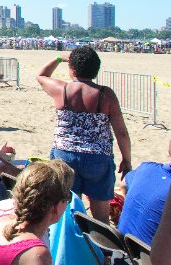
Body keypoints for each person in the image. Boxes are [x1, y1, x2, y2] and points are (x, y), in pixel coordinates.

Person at [36, 47, 132, 223]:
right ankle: (100, 248)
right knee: (100, 215)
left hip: (65, 154)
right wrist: (127, 159)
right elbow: (122, 133)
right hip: (97, 157)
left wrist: (59, 58)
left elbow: (41, 76)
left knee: (68, 209)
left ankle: (71, 245)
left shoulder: (61, 89)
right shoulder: (105, 94)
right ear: (96, 69)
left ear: (72, 69)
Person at [117, 134, 171, 245]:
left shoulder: (145, 168)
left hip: (119, 248)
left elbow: (123, 185)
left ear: (169, 152)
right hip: (149, 259)